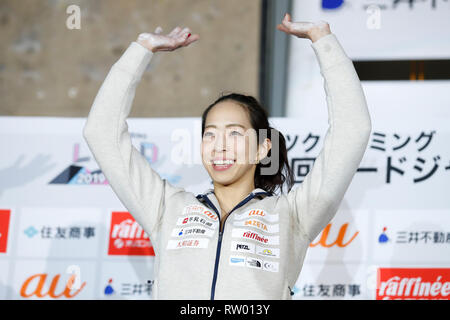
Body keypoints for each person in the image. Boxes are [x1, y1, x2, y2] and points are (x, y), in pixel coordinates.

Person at [83, 13, 372, 300]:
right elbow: (101, 133)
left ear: (262, 148)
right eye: (210, 134)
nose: (219, 146)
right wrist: (142, 49)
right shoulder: (167, 208)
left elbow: (353, 131)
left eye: (234, 134)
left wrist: (323, 40)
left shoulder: (292, 216)